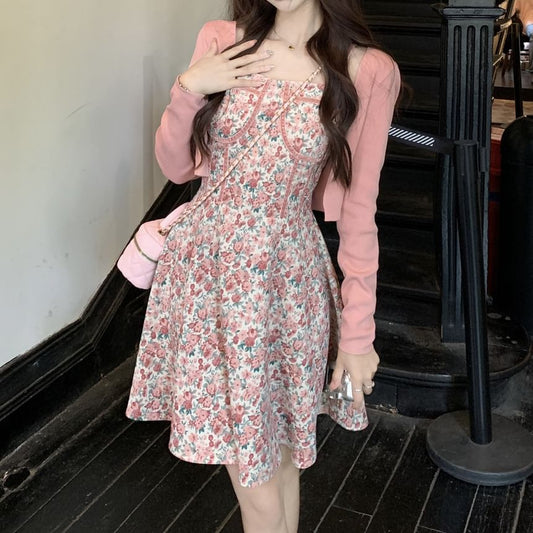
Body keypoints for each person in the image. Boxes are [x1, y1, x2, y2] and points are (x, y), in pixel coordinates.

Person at [126, 1, 400, 531]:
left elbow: (360, 211)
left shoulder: (368, 70)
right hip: (207, 280)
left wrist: (358, 334)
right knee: (258, 481)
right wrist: (189, 87)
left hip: (287, 281)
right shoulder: (222, 38)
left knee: (281, 461)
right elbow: (177, 167)